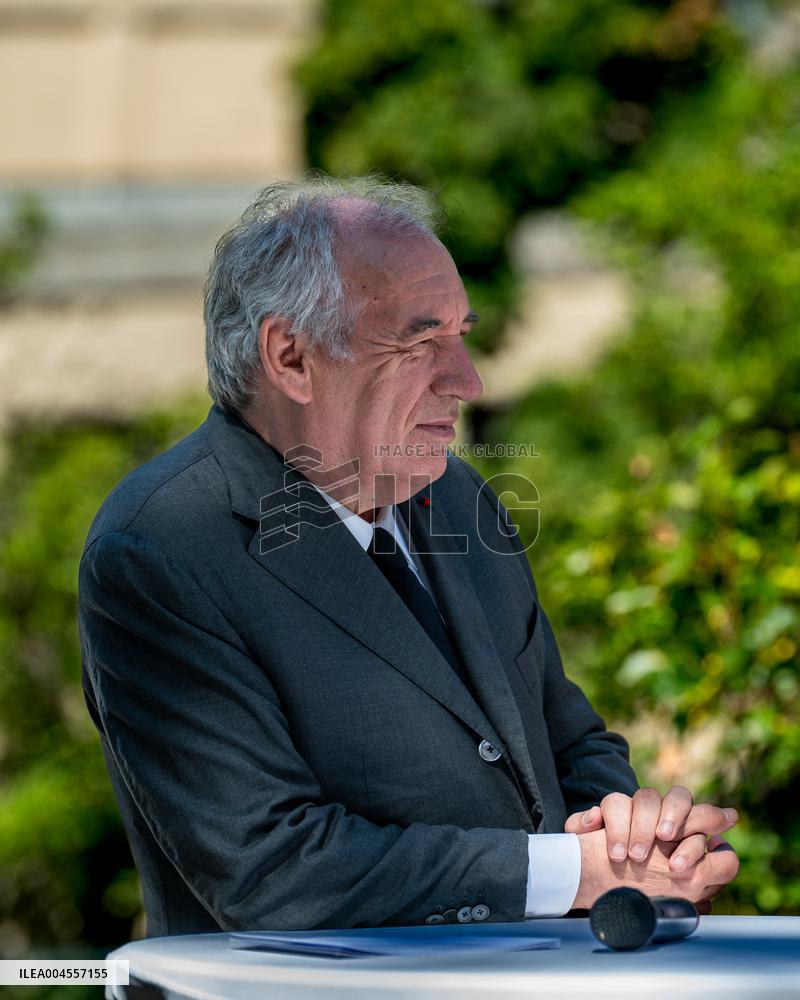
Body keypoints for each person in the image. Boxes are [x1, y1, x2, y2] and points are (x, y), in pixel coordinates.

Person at [78, 177, 739, 936]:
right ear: (291, 356)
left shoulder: (457, 496)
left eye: (462, 336)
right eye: (422, 342)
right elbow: (273, 873)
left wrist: (631, 834)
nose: (468, 380)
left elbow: (567, 741)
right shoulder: (162, 549)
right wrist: (579, 872)